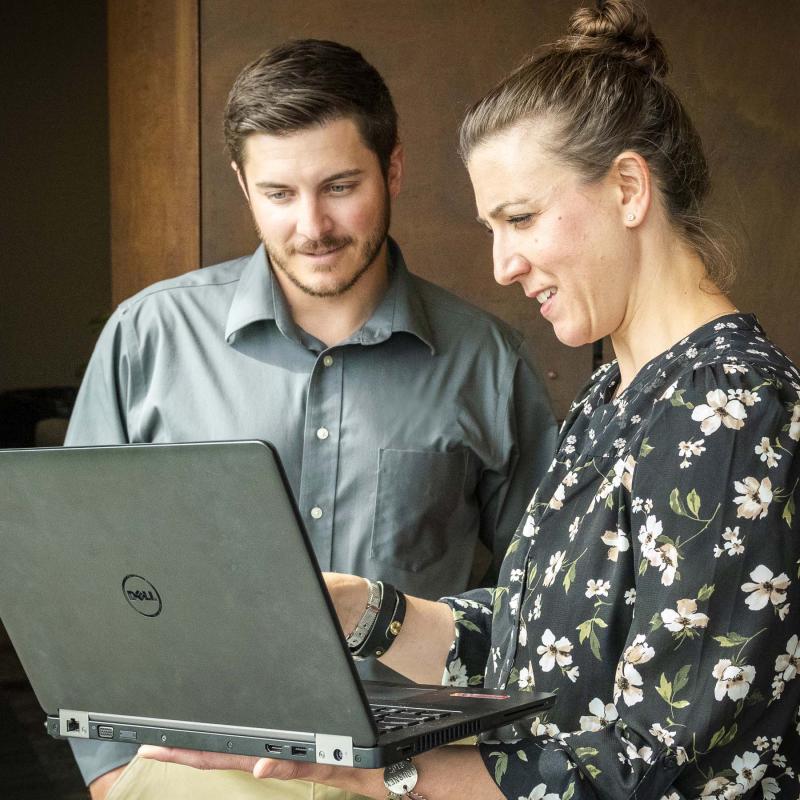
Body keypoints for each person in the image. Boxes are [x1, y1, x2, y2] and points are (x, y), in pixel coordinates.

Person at [140, 1, 800, 798]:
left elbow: (654, 763)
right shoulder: (617, 391)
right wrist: (363, 610)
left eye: (520, 218)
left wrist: (370, 773)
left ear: (629, 187)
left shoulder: (732, 408)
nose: (502, 266)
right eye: (492, 226)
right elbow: (541, 647)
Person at [66, 40, 557, 800]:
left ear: (392, 169)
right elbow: (78, 571)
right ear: (242, 185)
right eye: (278, 194)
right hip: (197, 774)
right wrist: (113, 774)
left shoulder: (489, 362)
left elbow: (548, 600)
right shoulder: (148, 338)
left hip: (410, 777)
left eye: (339, 186)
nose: (312, 226)